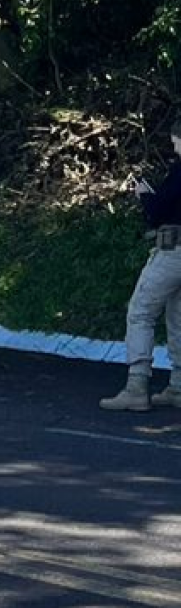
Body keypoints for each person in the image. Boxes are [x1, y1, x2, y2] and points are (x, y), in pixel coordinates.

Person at [100, 118, 181, 412]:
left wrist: (145, 196)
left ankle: (136, 384)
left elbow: (159, 211)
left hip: (174, 250)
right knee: (178, 315)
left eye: (175, 141)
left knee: (141, 311)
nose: (174, 147)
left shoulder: (180, 171)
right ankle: (178, 385)